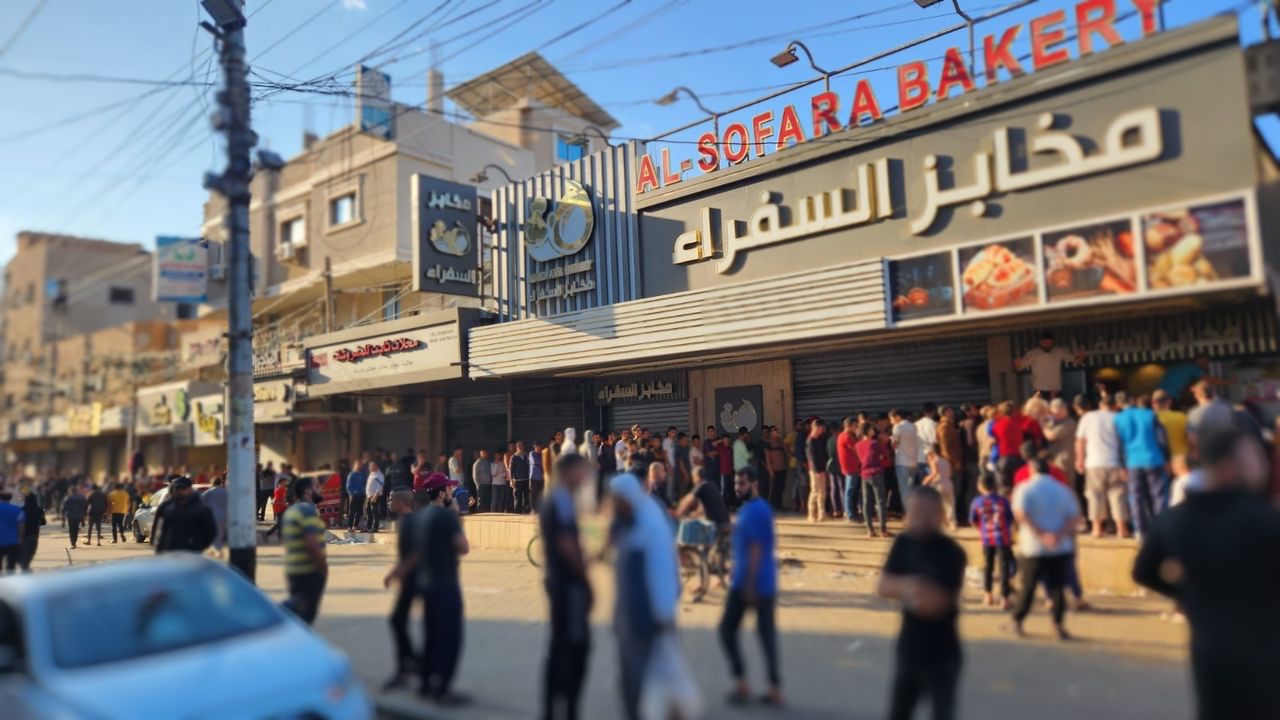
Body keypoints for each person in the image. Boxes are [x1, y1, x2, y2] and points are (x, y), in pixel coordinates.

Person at [1133, 425, 1280, 720]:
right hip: (1265, 651)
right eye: (1255, 458)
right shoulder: (1263, 520)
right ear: (1229, 467)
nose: (1263, 465)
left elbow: (1143, 572)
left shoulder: (1173, 519)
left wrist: (1187, 593)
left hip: (1209, 649)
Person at [878, 486, 967, 720]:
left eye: (926, 511)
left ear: (940, 514)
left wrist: (905, 588)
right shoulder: (903, 543)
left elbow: (938, 603)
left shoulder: (951, 552)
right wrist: (911, 586)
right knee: (899, 711)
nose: (920, 517)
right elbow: (883, 586)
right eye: (915, 511)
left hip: (943, 651)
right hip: (909, 645)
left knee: (942, 712)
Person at [609, 474, 682, 720]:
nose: (613, 504)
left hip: (646, 615)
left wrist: (664, 613)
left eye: (616, 499)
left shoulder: (648, 522)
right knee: (630, 673)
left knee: (642, 675)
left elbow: (662, 570)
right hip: (628, 613)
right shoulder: (628, 518)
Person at [720, 467, 782, 707]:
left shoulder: (755, 511)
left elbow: (756, 549)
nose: (738, 487)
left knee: (727, 629)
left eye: (743, 483)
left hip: (750, 583)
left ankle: (742, 683)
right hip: (761, 581)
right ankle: (773, 687)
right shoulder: (756, 509)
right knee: (766, 635)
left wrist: (748, 585)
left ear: (754, 484)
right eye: (736, 483)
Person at [540, 454, 595, 720]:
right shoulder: (560, 499)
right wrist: (586, 581)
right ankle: (565, 709)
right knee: (574, 647)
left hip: (559, 582)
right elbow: (566, 544)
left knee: (561, 646)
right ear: (569, 471)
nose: (586, 478)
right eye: (583, 471)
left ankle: (554, 709)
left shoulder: (558, 498)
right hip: (567, 586)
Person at [409, 473, 469, 704]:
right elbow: (463, 548)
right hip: (445, 585)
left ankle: (425, 683)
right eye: (450, 490)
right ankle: (443, 689)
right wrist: (455, 515)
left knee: (431, 637)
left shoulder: (422, 517)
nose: (453, 493)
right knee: (450, 639)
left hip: (427, 584)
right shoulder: (447, 517)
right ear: (442, 493)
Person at [1010, 457, 1081, 640]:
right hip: (1060, 547)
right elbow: (1074, 518)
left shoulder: (1024, 488)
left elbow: (1021, 514)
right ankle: (1057, 624)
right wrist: (1057, 535)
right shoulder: (1063, 490)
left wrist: (1041, 534)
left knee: (1028, 586)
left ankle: (1018, 620)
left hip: (1033, 547)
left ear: (1032, 470)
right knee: (1058, 588)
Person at [382, 488, 425, 691]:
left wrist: (398, 573)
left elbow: (417, 551)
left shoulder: (409, 522)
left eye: (391, 499)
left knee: (397, 620)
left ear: (401, 502)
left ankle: (406, 668)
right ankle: (412, 664)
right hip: (412, 579)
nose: (389, 502)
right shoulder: (409, 521)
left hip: (413, 580)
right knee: (398, 621)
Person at [1114, 395, 1169, 540]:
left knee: (1136, 497)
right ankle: (1161, 528)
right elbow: (1161, 439)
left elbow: (1119, 445)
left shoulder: (1119, 419)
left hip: (1132, 462)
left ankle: (1140, 530)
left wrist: (1122, 466)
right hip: (1154, 458)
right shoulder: (1150, 415)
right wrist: (1167, 458)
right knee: (1158, 496)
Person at [1075, 395, 1129, 538]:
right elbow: (1124, 443)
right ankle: (1121, 530)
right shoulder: (1119, 418)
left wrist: (1080, 460)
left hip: (1093, 463)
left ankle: (1097, 529)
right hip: (1115, 463)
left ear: (1100, 405)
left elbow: (1080, 441)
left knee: (1095, 496)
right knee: (1118, 496)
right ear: (1115, 406)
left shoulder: (1088, 417)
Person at [283, 476, 329, 625]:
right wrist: (323, 567)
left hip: (294, 571)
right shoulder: (307, 511)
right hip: (308, 572)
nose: (320, 489)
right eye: (317, 486)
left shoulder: (293, 510)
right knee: (305, 618)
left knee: (298, 616)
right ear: (308, 491)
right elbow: (311, 544)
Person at [969, 474, 1014, 608]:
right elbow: (1010, 518)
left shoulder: (977, 502)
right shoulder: (1002, 501)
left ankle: (988, 595)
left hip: (987, 537)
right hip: (1003, 537)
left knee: (988, 567)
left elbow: (973, 520)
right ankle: (1004, 598)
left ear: (980, 486)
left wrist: (982, 528)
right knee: (1004, 567)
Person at [153, 476, 217, 554]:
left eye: (183, 488)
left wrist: (199, 545)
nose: (179, 491)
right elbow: (159, 529)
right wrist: (159, 548)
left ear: (190, 489)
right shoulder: (166, 507)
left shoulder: (201, 508)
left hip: (192, 552)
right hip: (170, 552)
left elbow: (211, 531)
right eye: (177, 488)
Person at [1013, 330, 1085, 397]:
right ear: (1040, 342)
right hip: (1039, 392)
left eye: (1049, 342)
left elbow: (1076, 361)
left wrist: (1081, 357)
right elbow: (1019, 368)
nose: (1047, 345)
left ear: (1053, 342)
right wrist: (1017, 365)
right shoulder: (1033, 354)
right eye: (1045, 342)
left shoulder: (1059, 352)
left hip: (1055, 391)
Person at [856, 425, 890, 537]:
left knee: (866, 503)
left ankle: (870, 530)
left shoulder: (858, 445)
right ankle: (883, 530)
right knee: (880, 502)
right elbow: (885, 455)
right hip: (876, 473)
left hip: (864, 474)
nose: (873, 430)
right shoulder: (875, 443)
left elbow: (861, 458)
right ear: (868, 431)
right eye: (871, 429)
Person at [922, 444, 955, 531]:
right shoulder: (947, 460)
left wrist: (926, 480)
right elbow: (950, 473)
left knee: (939, 506)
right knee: (950, 506)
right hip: (948, 483)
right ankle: (951, 523)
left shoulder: (934, 461)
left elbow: (935, 473)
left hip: (939, 484)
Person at [837, 418, 862, 526]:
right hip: (851, 468)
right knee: (849, 491)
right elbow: (856, 450)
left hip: (850, 467)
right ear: (850, 425)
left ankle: (851, 512)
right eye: (855, 425)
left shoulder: (841, 436)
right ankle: (850, 514)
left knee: (850, 490)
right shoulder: (848, 437)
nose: (857, 427)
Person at [805, 419, 830, 523]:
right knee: (815, 491)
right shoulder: (810, 440)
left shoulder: (819, 439)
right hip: (815, 470)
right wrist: (817, 471)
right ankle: (811, 515)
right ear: (815, 427)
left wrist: (823, 469)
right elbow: (811, 458)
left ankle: (822, 514)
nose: (822, 430)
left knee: (822, 492)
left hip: (821, 469)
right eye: (821, 428)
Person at [18, 490, 44, 572]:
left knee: (23, 552)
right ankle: (26, 567)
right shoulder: (39, 510)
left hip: (23, 533)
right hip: (34, 533)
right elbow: (43, 522)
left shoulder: (21, 509)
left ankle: (24, 567)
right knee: (31, 552)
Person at [202, 476, 229, 555]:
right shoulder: (225, 492)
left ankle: (216, 550)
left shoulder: (210, 491)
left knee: (212, 533)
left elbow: (202, 500)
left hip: (212, 515)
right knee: (220, 533)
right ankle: (216, 549)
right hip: (224, 516)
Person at [0, 491, 25, 573]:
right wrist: (20, 538)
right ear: (10, 498)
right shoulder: (17, 509)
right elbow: (21, 526)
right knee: (11, 566)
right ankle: (9, 581)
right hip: (12, 541)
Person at [763, 426, 787, 510]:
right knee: (773, 489)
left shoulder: (780, 441)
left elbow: (786, 450)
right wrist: (770, 470)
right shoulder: (768, 443)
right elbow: (767, 457)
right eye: (775, 431)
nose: (777, 432)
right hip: (774, 469)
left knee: (781, 487)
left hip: (782, 468)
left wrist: (781, 440)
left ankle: (779, 505)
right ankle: (770, 506)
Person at [263, 476, 290, 542]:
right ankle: (268, 534)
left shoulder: (284, 489)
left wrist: (286, 503)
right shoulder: (279, 490)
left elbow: (283, 498)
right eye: (284, 481)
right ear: (280, 482)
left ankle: (279, 537)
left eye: (286, 481)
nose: (286, 482)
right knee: (280, 523)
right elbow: (275, 501)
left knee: (281, 523)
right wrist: (284, 504)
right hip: (279, 508)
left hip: (283, 508)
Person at [346, 460, 368, 531]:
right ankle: (349, 526)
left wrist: (364, 491)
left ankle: (355, 526)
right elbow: (348, 486)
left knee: (359, 511)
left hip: (361, 495)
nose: (359, 466)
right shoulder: (352, 474)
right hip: (354, 496)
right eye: (358, 464)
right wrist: (353, 493)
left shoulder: (363, 474)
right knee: (352, 511)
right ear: (355, 465)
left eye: (360, 464)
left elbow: (365, 484)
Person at [511, 441, 532, 514]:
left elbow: (529, 467)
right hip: (517, 480)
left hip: (526, 479)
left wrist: (529, 478)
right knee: (518, 498)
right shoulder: (514, 457)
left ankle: (526, 512)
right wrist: (511, 480)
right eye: (519, 446)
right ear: (516, 448)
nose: (521, 447)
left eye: (522, 446)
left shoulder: (526, 455)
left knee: (526, 497)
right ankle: (517, 513)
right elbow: (511, 469)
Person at [365, 461, 386, 532]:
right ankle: (368, 527)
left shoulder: (379, 475)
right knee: (368, 511)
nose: (370, 467)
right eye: (370, 466)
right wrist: (368, 495)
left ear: (376, 466)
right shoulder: (371, 474)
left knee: (374, 511)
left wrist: (375, 495)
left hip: (375, 496)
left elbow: (379, 486)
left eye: (372, 466)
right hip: (369, 496)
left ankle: (375, 527)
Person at [490, 449, 510, 514]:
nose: (497, 457)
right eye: (496, 455)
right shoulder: (492, 464)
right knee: (494, 500)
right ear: (494, 456)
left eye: (499, 455)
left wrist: (498, 474)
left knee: (501, 500)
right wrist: (496, 465)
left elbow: (505, 474)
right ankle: (492, 513)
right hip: (495, 484)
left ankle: (500, 513)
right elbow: (493, 474)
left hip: (502, 483)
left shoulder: (503, 463)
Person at [530, 441, 547, 511]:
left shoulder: (542, 454)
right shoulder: (532, 453)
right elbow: (535, 461)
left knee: (541, 494)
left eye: (539, 446)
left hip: (541, 477)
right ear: (534, 447)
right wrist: (543, 463)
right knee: (534, 494)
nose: (538, 448)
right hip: (534, 477)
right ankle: (533, 509)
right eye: (537, 446)